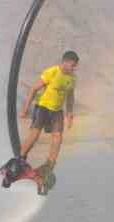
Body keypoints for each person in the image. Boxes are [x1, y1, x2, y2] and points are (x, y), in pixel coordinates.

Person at [19, 50, 79, 185]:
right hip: (43, 108)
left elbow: (70, 97)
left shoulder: (72, 78)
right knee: (35, 135)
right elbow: (34, 89)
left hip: (57, 111)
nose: (74, 68)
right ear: (66, 62)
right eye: (73, 65)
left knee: (58, 137)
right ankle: (20, 158)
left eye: (75, 66)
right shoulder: (52, 72)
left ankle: (49, 166)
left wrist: (69, 114)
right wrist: (25, 108)